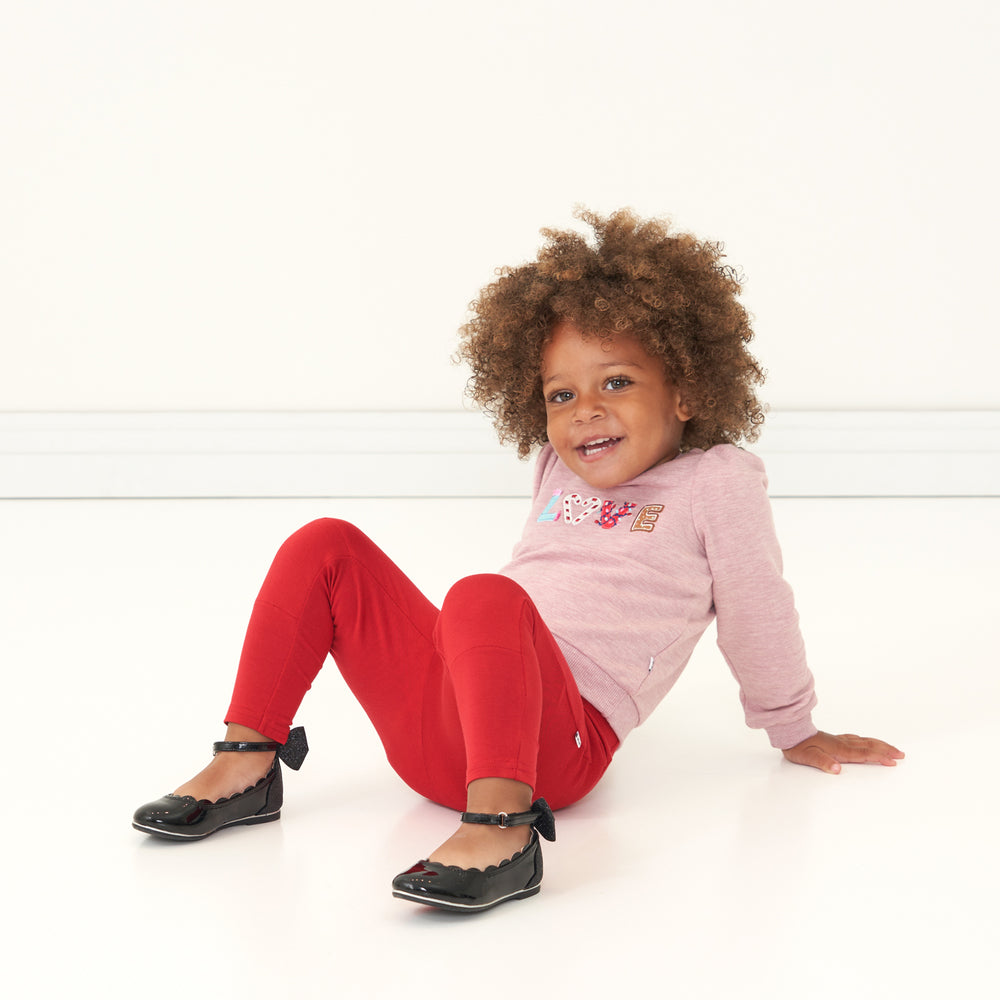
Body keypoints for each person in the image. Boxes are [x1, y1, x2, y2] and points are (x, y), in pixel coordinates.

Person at [132, 208, 903, 912]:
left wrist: (792, 725)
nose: (585, 410)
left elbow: (756, 605)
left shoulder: (716, 480)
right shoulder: (555, 467)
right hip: (447, 724)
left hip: (553, 750)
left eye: (618, 382)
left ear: (687, 390)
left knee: (483, 595)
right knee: (326, 545)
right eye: (560, 395)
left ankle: (505, 830)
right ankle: (247, 764)